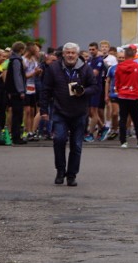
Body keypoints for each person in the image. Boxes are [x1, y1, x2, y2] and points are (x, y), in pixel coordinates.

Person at [39, 43, 99, 187]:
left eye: (73, 53)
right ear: (63, 54)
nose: (70, 55)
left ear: (77, 55)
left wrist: (84, 91)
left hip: (79, 112)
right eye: (68, 53)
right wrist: (44, 110)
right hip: (60, 111)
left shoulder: (85, 68)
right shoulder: (54, 68)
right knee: (59, 140)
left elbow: (95, 87)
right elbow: (45, 90)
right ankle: (60, 171)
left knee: (76, 145)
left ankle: (71, 175)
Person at [114, 45, 138, 149]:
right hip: (134, 96)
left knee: (123, 119)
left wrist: (120, 91)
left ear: (124, 56)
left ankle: (123, 142)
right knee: (137, 120)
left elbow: (117, 82)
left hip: (122, 95)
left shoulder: (119, 67)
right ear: (134, 55)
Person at [5, 41, 28, 144]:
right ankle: (16, 137)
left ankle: (16, 135)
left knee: (16, 114)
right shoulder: (17, 60)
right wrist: (21, 90)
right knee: (18, 114)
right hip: (16, 92)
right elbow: (17, 76)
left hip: (12, 91)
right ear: (21, 50)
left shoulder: (12, 60)